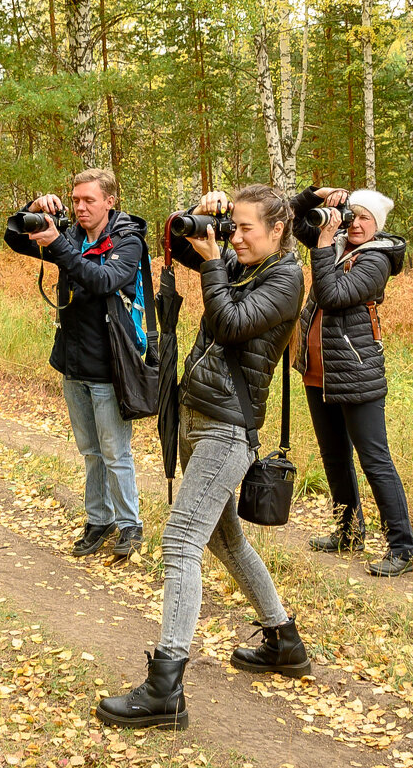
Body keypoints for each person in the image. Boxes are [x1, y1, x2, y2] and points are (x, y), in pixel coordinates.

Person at [96, 184, 309, 731]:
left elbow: (231, 323)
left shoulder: (286, 278)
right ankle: (283, 640)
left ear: (278, 230)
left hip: (228, 430)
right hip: (197, 420)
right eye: (231, 226)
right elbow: (175, 236)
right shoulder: (241, 260)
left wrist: (216, 261)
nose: (234, 237)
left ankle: (166, 688)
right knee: (224, 539)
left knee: (180, 540)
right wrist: (198, 212)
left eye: (245, 229)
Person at [3, 168, 146, 558]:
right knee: (90, 451)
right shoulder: (70, 235)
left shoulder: (128, 239)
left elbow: (103, 280)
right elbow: (14, 239)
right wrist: (31, 209)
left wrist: (59, 246)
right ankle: (98, 520)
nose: (81, 208)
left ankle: (130, 525)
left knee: (116, 451)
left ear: (110, 201)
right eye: (76, 200)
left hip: (111, 363)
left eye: (90, 201)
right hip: (73, 361)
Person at [291, 186, 413, 577]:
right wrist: (315, 195)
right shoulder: (338, 242)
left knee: (374, 459)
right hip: (319, 371)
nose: (357, 223)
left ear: (377, 226)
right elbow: (292, 221)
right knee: (334, 456)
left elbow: (330, 295)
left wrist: (326, 242)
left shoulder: (375, 260)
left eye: (365, 218)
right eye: (352, 215)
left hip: (357, 372)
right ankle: (348, 532)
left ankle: (403, 548)